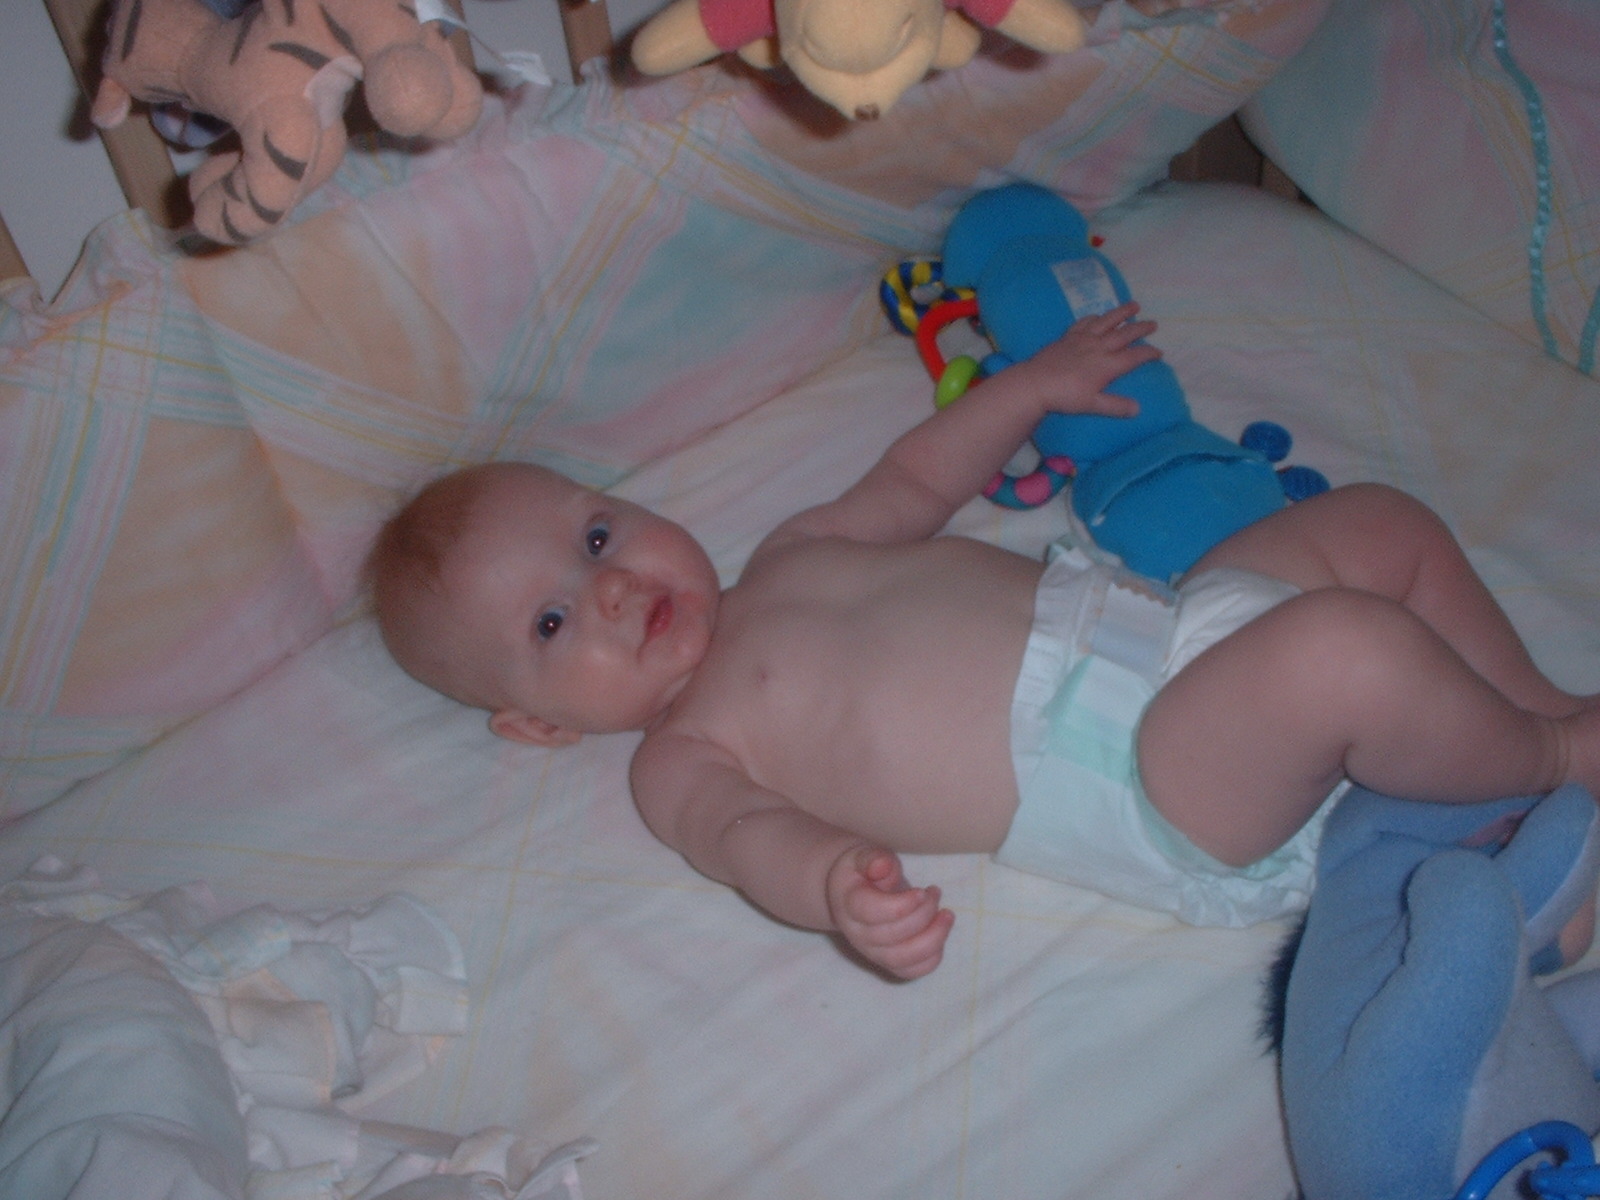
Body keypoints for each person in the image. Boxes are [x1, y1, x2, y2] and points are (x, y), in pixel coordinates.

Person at [369, 302, 1600, 979]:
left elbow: (915, 480)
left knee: (1378, 526)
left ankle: (1524, 712)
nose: (610, 592)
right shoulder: (680, 755)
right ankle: (1554, 760)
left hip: (1177, 629)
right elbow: (742, 841)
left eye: (596, 538)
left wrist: (1030, 388)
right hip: (1151, 780)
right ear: (536, 726)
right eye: (550, 624)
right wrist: (834, 887)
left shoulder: (793, 551)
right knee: (1342, 650)